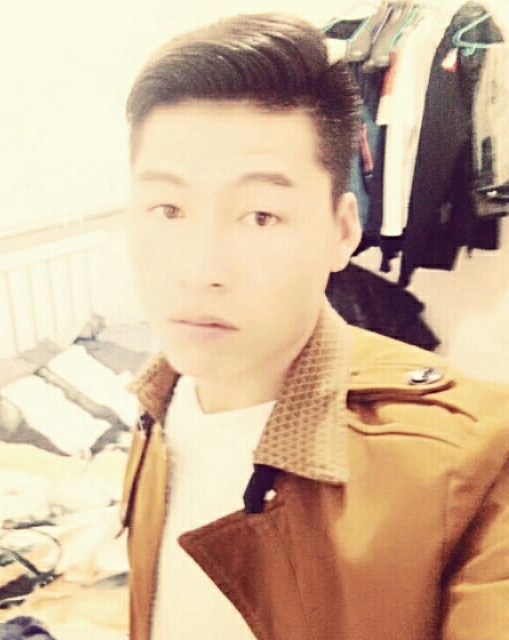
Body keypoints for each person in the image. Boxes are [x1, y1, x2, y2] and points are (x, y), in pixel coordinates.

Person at [119, 13, 509, 640]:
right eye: (168, 208)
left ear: (343, 231)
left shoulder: (476, 463)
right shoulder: (154, 399)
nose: (199, 271)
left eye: (261, 216)